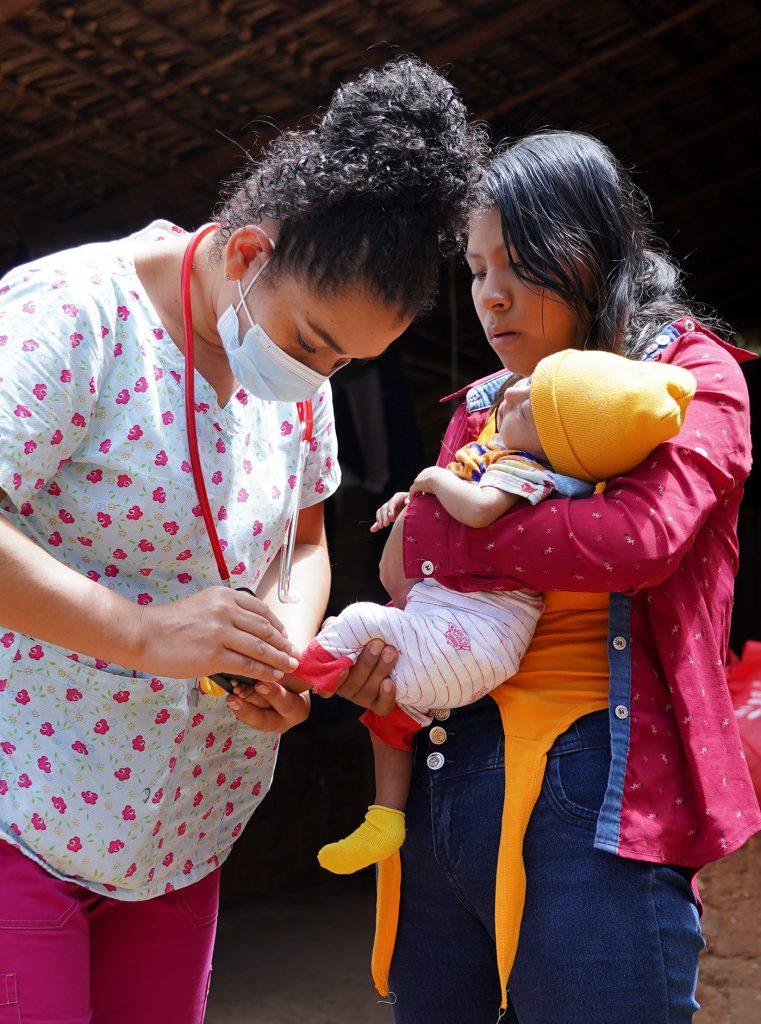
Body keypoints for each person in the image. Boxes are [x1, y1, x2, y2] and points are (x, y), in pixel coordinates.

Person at [0, 57, 487, 1024]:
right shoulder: (73, 316)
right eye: (312, 343)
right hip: (24, 811)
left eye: (348, 361)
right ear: (247, 251)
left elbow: (305, 539)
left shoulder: (298, 383)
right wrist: (142, 636)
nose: (320, 376)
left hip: (185, 826)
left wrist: (279, 649)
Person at [369, 131, 760, 1024]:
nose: (490, 295)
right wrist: (444, 537)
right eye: (474, 270)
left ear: (593, 252)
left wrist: (444, 522)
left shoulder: (686, 375)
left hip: (600, 784)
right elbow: (402, 573)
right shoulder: (482, 404)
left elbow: (640, 538)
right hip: (450, 767)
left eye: (518, 263)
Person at [272, 350, 695, 879]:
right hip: (471, 654)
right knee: (390, 718)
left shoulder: (529, 470)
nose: (510, 397)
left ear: (556, 443)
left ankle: (277, 674)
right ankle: (386, 817)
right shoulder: (517, 465)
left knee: (357, 620)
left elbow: (474, 510)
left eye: (527, 410)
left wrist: (430, 478)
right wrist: (419, 501)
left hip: (466, 636)